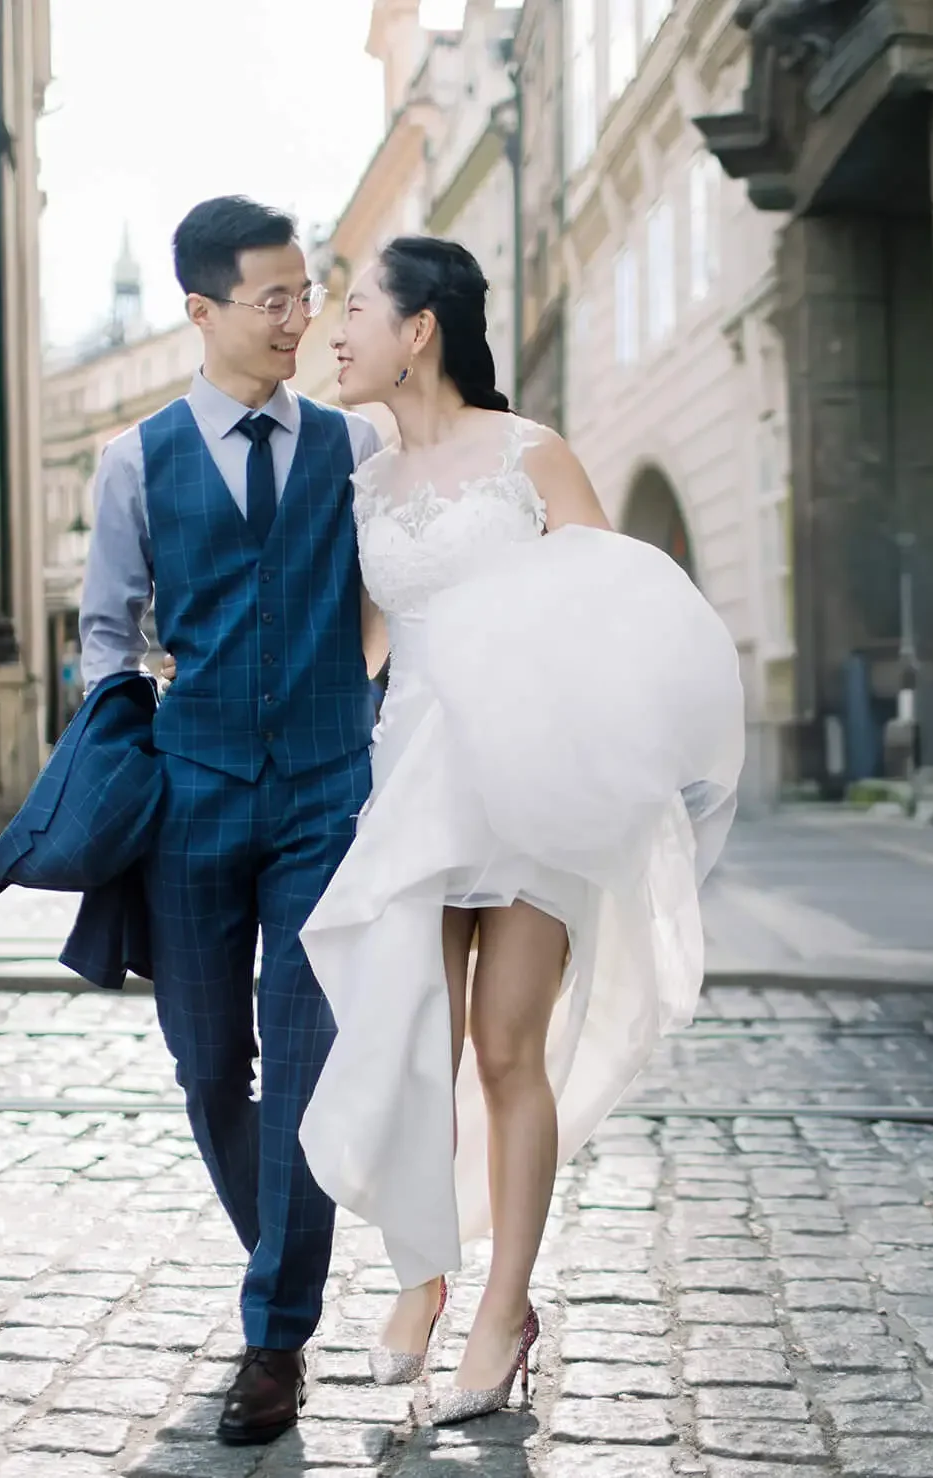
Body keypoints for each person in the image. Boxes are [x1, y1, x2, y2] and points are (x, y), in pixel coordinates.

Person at [296, 237, 744, 1424]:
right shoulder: (367, 487)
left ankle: (504, 1302)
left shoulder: (531, 452)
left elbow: (620, 609)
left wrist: (617, 755)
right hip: (417, 784)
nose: (333, 334)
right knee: (411, 1036)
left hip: (535, 779)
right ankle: (421, 1272)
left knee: (502, 1047)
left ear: (419, 328)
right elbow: (363, 655)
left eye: (353, 310)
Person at [75, 196, 385, 1446]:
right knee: (210, 1067)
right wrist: (118, 740)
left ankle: (274, 1336)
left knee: (307, 1067)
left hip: (325, 796)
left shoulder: (352, 449)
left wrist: (368, 701)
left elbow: (395, 593)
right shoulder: (131, 459)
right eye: (274, 298)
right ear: (201, 311)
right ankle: (286, 1261)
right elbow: (108, 629)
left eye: (307, 295)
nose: (299, 318)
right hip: (190, 800)